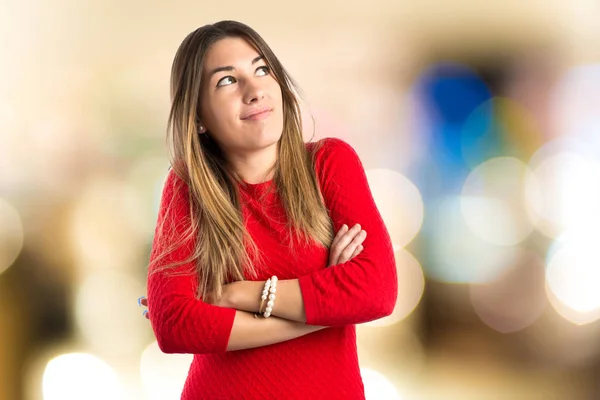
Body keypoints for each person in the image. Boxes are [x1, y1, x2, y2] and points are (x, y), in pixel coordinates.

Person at [138, 20, 398, 399]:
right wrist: (324, 310)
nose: (254, 90)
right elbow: (174, 325)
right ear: (197, 118)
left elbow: (377, 290)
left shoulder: (329, 163)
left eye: (262, 70)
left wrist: (235, 295)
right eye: (227, 80)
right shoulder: (188, 187)